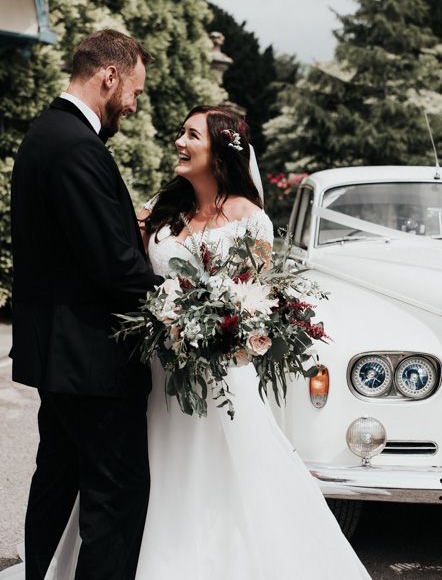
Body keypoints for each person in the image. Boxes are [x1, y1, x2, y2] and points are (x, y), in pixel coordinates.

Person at [1, 105, 371, 579]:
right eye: (180, 132)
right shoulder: (161, 209)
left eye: (191, 135)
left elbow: (259, 299)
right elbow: (121, 266)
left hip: (217, 379)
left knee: (215, 481)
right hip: (154, 369)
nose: (180, 141)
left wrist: (225, 333)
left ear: (219, 150)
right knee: (136, 478)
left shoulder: (251, 220)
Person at [6, 29, 163, 580]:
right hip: (94, 364)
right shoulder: (77, 146)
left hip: (63, 360)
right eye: (134, 92)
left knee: (55, 483)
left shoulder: (45, 136)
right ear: (109, 76)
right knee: (114, 502)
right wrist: (180, 308)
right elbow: (114, 266)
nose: (134, 105)